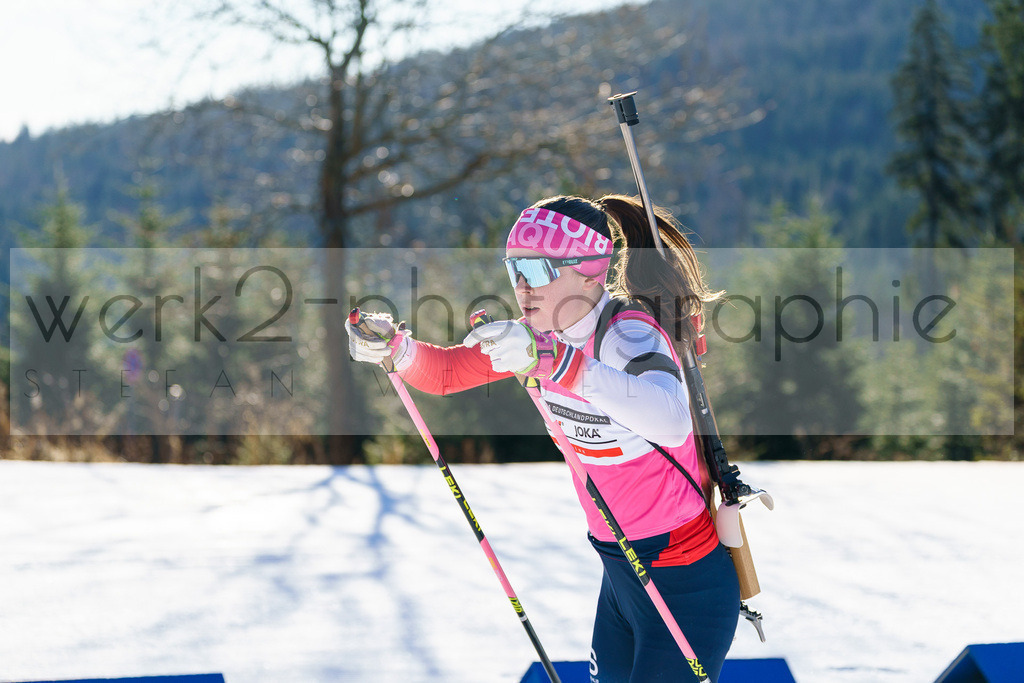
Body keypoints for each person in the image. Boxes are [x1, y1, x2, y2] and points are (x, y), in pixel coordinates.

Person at [347, 194, 740, 682]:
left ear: (590, 273)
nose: (521, 287)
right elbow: (445, 373)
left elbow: (670, 419)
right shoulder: (532, 338)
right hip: (621, 574)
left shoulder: (628, 334)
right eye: (514, 270)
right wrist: (394, 348)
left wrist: (554, 361)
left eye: (538, 272)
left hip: (685, 582)